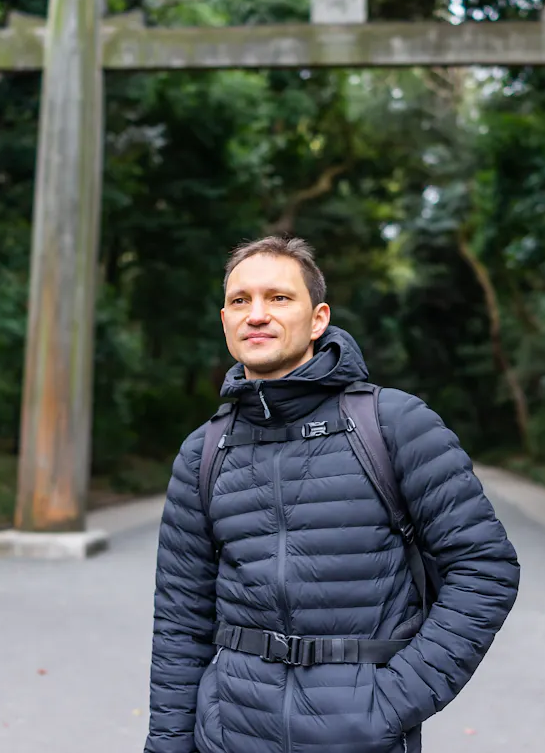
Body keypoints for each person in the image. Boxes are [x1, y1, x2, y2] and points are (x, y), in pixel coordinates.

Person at [142, 236, 520, 753]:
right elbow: (180, 619)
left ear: (318, 319)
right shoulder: (204, 452)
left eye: (279, 298)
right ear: (225, 321)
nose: (256, 314)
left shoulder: (393, 424)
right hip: (230, 736)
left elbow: (485, 568)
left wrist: (388, 703)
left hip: (360, 738)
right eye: (240, 301)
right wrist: (166, 746)